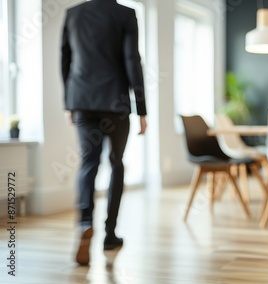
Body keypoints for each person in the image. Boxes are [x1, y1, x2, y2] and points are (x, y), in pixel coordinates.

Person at [61, 0, 147, 266]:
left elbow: (65, 58)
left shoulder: (74, 14)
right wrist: (142, 109)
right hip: (115, 102)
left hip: (82, 100)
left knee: (88, 164)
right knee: (116, 164)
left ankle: (85, 222)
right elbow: (132, 60)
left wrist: (69, 102)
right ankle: (110, 234)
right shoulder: (125, 14)